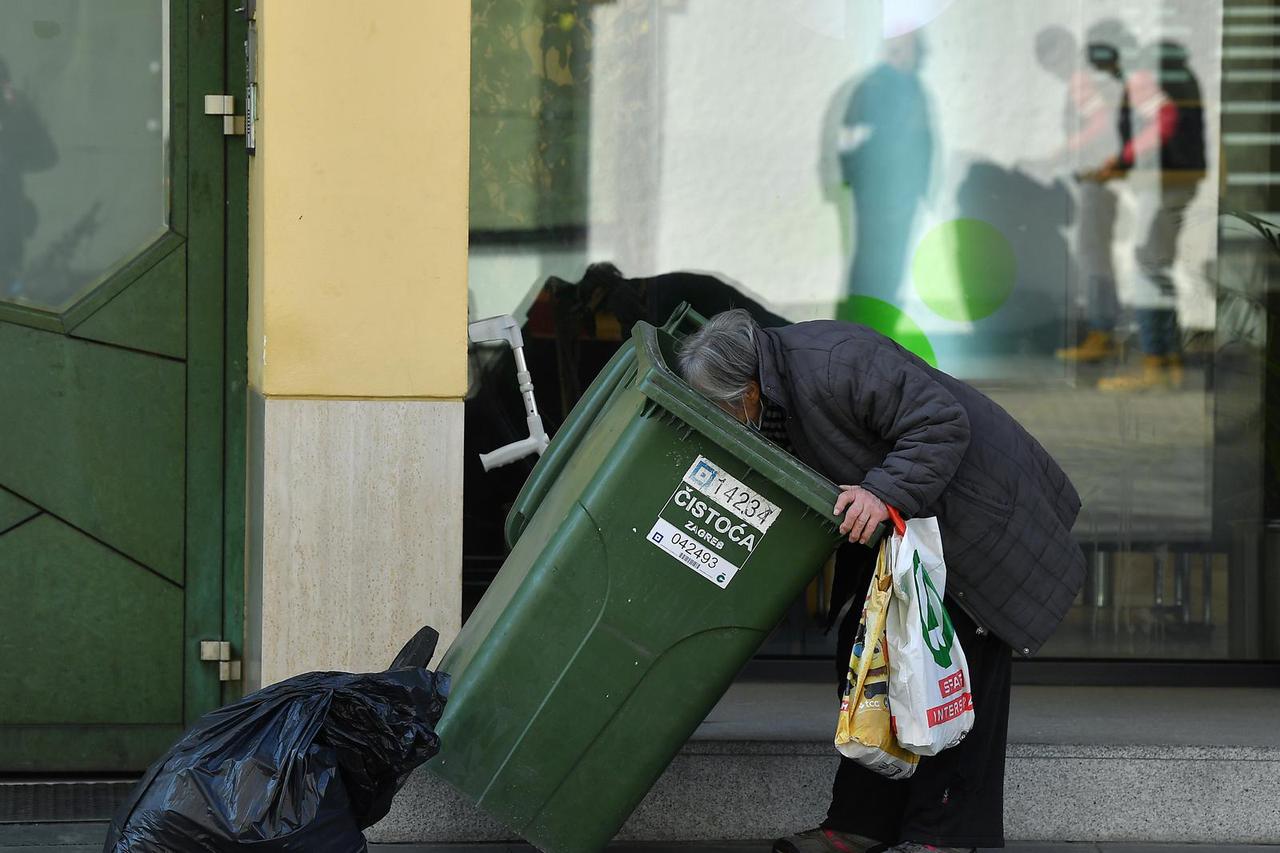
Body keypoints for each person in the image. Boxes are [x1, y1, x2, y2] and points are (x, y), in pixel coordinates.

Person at [677, 310, 1086, 853]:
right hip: (921, 532)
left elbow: (940, 422)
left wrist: (883, 492)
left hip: (975, 520)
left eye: (724, 408)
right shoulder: (780, 383)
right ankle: (860, 824)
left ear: (748, 389)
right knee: (871, 663)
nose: (725, 421)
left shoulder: (833, 363)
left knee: (950, 675)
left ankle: (941, 836)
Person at [1088, 39, 1206, 391]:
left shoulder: (1148, 76)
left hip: (1164, 181)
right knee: (1156, 267)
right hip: (1176, 178)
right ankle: (1168, 362)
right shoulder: (1180, 76)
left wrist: (1123, 160)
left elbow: (1162, 122)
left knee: (1148, 268)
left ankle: (1155, 363)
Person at [1032, 24, 1127, 364]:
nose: (1052, 65)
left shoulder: (1082, 80)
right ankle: (1105, 332)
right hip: (1098, 179)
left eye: (1053, 56)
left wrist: (1056, 155)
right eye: (1047, 60)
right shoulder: (1087, 78)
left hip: (1097, 180)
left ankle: (1103, 333)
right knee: (1095, 254)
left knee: (1092, 255)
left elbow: (1100, 124)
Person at [836, 32, 933, 304]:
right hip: (878, 194)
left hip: (900, 193)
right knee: (873, 257)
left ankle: (879, 318)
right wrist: (861, 182)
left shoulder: (912, 87)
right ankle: (866, 320)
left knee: (892, 258)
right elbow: (850, 139)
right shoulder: (873, 87)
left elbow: (923, 139)